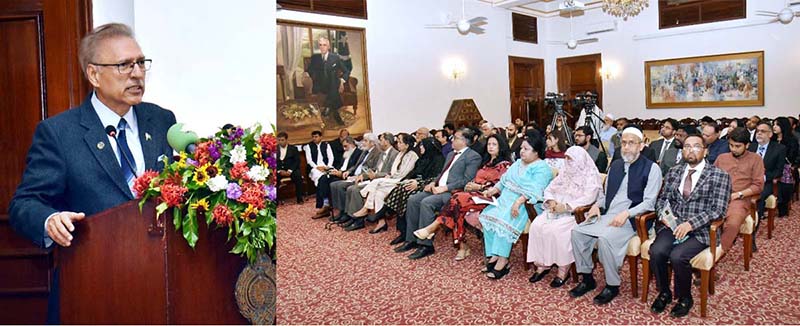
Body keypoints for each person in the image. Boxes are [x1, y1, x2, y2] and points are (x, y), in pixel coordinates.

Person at [8, 23, 176, 323]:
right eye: (125, 65)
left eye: (141, 63)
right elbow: (24, 204)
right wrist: (50, 220)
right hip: (91, 287)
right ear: (94, 74)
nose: (137, 73)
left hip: (157, 285)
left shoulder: (161, 120)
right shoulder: (59, 133)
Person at [569, 126, 662, 305]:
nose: (626, 147)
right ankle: (588, 278)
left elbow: (650, 203)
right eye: (624, 143)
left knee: (605, 238)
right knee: (577, 232)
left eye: (631, 143)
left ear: (641, 146)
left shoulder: (652, 169)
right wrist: (596, 205)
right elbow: (605, 195)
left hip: (632, 220)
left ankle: (612, 285)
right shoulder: (616, 165)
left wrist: (626, 213)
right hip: (608, 215)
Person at [648, 134, 731, 318]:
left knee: (678, 256)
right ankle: (664, 292)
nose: (690, 150)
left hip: (701, 230)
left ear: (705, 150)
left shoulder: (719, 175)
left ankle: (685, 297)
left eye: (696, 146)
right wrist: (663, 215)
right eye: (686, 146)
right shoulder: (674, 171)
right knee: (657, 251)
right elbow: (662, 199)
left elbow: (718, 210)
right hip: (673, 226)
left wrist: (690, 224)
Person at [412, 134, 512, 261]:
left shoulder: (505, 165)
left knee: (456, 200)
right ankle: (461, 245)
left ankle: (435, 228)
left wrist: (479, 187)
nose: (490, 147)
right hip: (476, 196)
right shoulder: (486, 162)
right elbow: (475, 179)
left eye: (494, 144)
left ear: (501, 147)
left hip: (492, 197)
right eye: (489, 144)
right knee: (456, 205)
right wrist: (472, 186)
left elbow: (499, 186)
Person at [394, 128, 482, 260]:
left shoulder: (473, 156)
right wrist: (433, 183)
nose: (452, 140)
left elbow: (466, 180)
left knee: (427, 202)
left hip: (454, 193)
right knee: (413, 199)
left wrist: (445, 187)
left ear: (464, 141)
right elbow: (442, 173)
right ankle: (411, 239)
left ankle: (426, 245)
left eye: (456, 138)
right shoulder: (451, 154)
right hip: (439, 188)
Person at [479, 130, 554, 279]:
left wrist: (518, 201)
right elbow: (504, 180)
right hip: (505, 199)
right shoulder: (518, 163)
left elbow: (536, 190)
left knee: (503, 221)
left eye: (526, 149)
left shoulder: (542, 168)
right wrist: (492, 190)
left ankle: (503, 260)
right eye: (521, 148)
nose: (522, 152)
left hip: (526, 204)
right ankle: (494, 254)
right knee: (486, 216)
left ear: (537, 152)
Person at [527, 146, 602, 287]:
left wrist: (566, 206)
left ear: (580, 160)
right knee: (537, 225)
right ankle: (543, 264)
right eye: (566, 158)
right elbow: (549, 188)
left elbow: (589, 198)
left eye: (571, 159)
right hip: (556, 209)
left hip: (576, 214)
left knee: (557, 231)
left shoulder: (590, 176)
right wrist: (551, 200)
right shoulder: (564, 173)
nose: (568, 161)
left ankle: (563, 269)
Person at [378, 139, 445, 243]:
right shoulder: (423, 158)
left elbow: (436, 178)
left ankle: (387, 213)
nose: (420, 148)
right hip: (419, 183)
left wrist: (418, 183)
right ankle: (402, 231)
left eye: (422, 146)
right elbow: (414, 172)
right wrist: (406, 180)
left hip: (429, 186)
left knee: (407, 195)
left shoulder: (439, 159)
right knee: (401, 188)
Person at [347, 134, 419, 232]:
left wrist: (389, 176)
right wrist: (389, 176)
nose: (397, 144)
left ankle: (366, 208)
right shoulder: (400, 154)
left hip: (401, 180)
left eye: (400, 142)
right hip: (393, 178)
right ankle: (381, 223)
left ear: (407, 144)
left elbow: (403, 173)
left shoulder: (412, 155)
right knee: (378, 193)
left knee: (376, 181)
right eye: (397, 142)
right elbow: (393, 170)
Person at [714, 127, 764, 254]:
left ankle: (717, 254)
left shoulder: (755, 159)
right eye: (731, 145)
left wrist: (738, 194)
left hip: (740, 199)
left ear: (747, 145)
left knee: (732, 224)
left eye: (737, 146)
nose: (733, 149)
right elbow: (711, 177)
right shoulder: (722, 158)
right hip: (718, 197)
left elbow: (758, 185)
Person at [339, 132, 399, 229]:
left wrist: (374, 175)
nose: (379, 142)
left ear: (387, 142)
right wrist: (366, 175)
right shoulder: (382, 153)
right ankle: (351, 216)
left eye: (381, 140)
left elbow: (391, 173)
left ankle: (359, 221)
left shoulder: (394, 154)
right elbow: (375, 169)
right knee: (351, 188)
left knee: (355, 189)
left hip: (383, 181)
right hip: (374, 179)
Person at [330, 133, 382, 222]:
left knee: (345, 187)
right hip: (354, 176)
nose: (363, 143)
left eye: (365, 141)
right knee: (333, 185)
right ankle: (342, 211)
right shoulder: (364, 151)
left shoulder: (377, 153)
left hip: (363, 178)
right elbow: (356, 165)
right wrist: (349, 171)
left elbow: (374, 169)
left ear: (372, 143)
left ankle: (349, 215)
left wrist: (361, 176)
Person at [311, 136, 362, 219]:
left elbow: (355, 167)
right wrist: (333, 170)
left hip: (347, 175)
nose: (344, 148)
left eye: (346, 146)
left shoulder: (359, 153)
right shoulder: (346, 153)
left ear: (352, 144)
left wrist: (341, 173)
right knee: (323, 178)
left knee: (328, 181)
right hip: (339, 172)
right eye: (343, 146)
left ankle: (328, 206)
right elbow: (340, 165)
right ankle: (325, 204)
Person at [306, 37, 350, 126]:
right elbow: (309, 70)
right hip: (320, 84)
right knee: (333, 89)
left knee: (333, 85)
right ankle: (334, 112)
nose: (322, 47)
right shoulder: (315, 58)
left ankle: (328, 108)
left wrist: (342, 81)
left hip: (333, 84)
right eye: (320, 45)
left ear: (328, 46)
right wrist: (311, 77)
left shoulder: (335, 58)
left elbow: (346, 71)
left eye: (324, 45)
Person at [749, 121, 787, 218]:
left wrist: (764, 177)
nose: (759, 133)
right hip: (748, 178)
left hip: (767, 181)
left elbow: (778, 171)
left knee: (758, 195)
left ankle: (755, 219)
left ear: (770, 134)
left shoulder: (779, 149)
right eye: (757, 131)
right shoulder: (751, 147)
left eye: (762, 131)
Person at [772, 117, 798, 217]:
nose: (774, 127)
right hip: (773, 166)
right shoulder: (772, 139)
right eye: (773, 124)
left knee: (784, 187)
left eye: (777, 125)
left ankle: (783, 206)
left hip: (785, 167)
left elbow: (792, 156)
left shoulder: (791, 140)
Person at [277, 132, 305, 204]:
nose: (280, 142)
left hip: (291, 170)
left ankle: (300, 198)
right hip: (279, 170)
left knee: (298, 176)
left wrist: (290, 171)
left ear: (286, 140)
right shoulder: (275, 149)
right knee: (274, 178)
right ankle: (275, 201)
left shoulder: (293, 148)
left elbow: (297, 161)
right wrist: (279, 170)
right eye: (279, 140)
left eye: (282, 140)